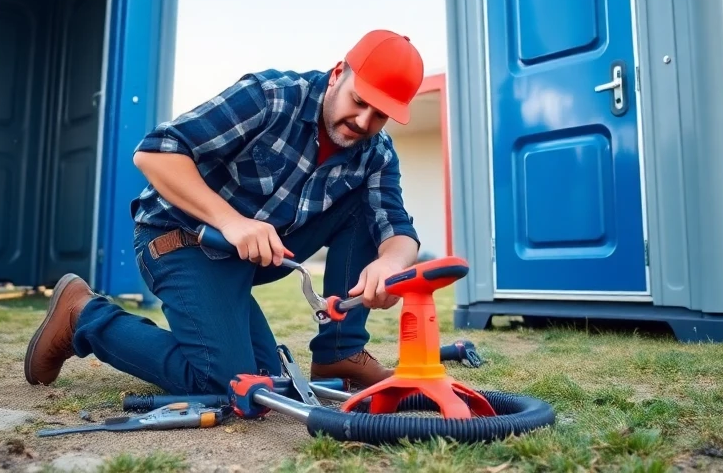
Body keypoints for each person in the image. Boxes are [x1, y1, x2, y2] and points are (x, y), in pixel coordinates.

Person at [22, 29, 426, 394]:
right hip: (179, 238)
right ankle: (84, 315)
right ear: (339, 73)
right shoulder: (271, 96)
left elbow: (396, 227)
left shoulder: (376, 152)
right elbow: (154, 154)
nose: (363, 121)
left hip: (242, 261)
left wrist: (391, 265)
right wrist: (230, 221)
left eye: (380, 114)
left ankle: (340, 350)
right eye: (359, 101)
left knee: (271, 386)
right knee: (227, 383)